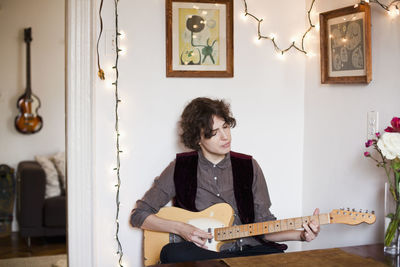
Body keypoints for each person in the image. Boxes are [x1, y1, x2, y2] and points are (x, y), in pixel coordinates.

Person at [130, 97, 320, 263]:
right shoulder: (180, 167)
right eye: (214, 132)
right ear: (198, 138)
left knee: (278, 260)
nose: (225, 136)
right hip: (203, 254)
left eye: (226, 127)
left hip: (247, 251)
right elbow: (139, 215)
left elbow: (265, 226)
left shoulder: (249, 166)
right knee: (172, 253)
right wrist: (181, 228)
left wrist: (301, 235)